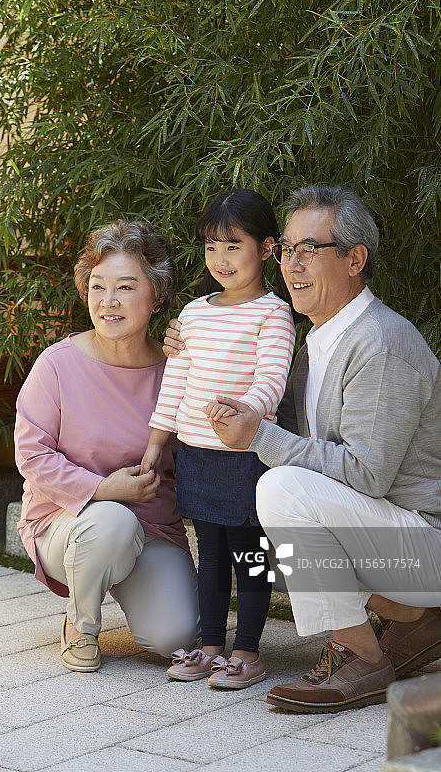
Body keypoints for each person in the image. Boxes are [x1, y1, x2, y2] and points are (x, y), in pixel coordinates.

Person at [166, 184, 440, 712]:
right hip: (393, 543)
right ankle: (413, 617)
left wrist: (258, 435)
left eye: (310, 249)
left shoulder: (379, 342)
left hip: (424, 543)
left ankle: (360, 655)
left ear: (355, 259)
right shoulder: (317, 342)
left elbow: (365, 475)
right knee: (264, 525)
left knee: (282, 488)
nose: (293, 263)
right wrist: (191, 340)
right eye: (288, 248)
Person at [14, 220, 199, 673]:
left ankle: (118, 583)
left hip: (152, 528)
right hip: (69, 524)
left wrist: (199, 348)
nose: (108, 301)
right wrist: (103, 491)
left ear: (157, 297)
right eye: (98, 287)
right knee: (112, 524)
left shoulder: (178, 370)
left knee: (173, 637)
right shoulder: (58, 365)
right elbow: (32, 455)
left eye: (125, 287)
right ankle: (81, 625)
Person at [141, 189, 296, 689]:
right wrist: (156, 442)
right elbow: (176, 381)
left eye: (234, 246)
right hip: (196, 451)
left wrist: (246, 412)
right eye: (212, 248)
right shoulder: (192, 313)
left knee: (250, 551)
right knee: (208, 552)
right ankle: (211, 646)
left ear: (267, 248)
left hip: (246, 451)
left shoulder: (274, 313)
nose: (221, 260)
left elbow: (272, 376)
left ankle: (248, 651)